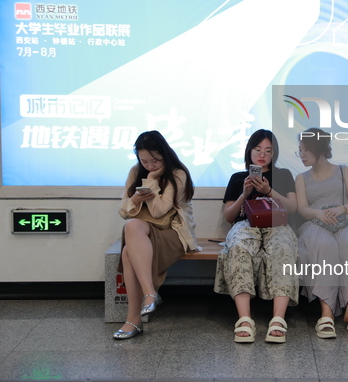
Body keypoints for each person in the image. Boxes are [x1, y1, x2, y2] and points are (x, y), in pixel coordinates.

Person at [214, 129, 298, 344]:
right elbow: (228, 216)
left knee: (283, 249)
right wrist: (244, 194)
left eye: (268, 151)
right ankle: (244, 319)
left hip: (276, 224)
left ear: (274, 153)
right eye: (258, 149)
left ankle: (278, 319)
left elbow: (293, 208)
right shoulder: (238, 178)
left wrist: (269, 191)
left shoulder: (284, 175)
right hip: (245, 224)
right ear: (249, 151)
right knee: (239, 248)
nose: (262, 155)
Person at [113, 130, 198, 340]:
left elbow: (160, 211)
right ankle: (150, 295)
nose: (150, 166)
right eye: (145, 161)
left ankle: (133, 319)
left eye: (155, 160)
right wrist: (135, 198)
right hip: (143, 231)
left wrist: (151, 180)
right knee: (132, 227)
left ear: (165, 154)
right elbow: (123, 211)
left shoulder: (177, 174)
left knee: (127, 251)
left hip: (172, 233)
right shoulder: (135, 171)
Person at [295, 128, 348, 339]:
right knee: (324, 246)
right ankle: (326, 312)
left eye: (304, 150)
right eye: (300, 151)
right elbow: (302, 209)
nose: (301, 155)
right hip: (315, 222)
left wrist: (342, 209)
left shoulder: (343, 170)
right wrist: (318, 214)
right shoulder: (301, 178)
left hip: (344, 219)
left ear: (317, 149)